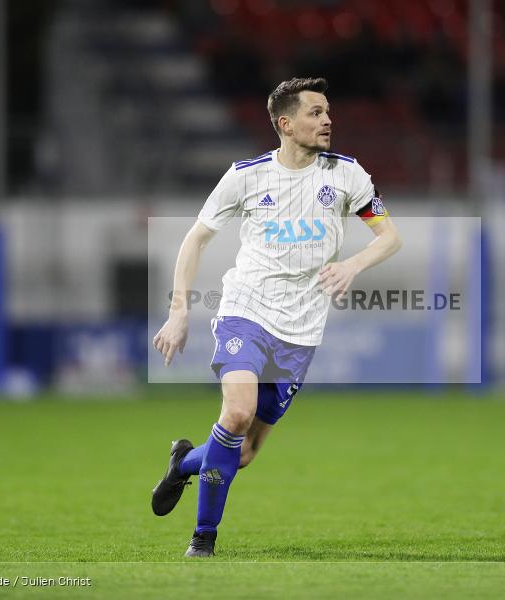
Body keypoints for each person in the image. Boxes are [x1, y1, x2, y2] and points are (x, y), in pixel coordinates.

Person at [150, 77, 402, 557]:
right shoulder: (246, 176)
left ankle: (185, 463)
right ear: (285, 123)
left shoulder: (348, 175)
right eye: (315, 112)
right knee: (238, 412)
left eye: (328, 111)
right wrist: (178, 312)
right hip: (246, 309)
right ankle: (203, 539)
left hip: (302, 329)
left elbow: (389, 237)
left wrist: (352, 263)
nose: (327, 120)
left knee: (241, 452)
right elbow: (194, 240)